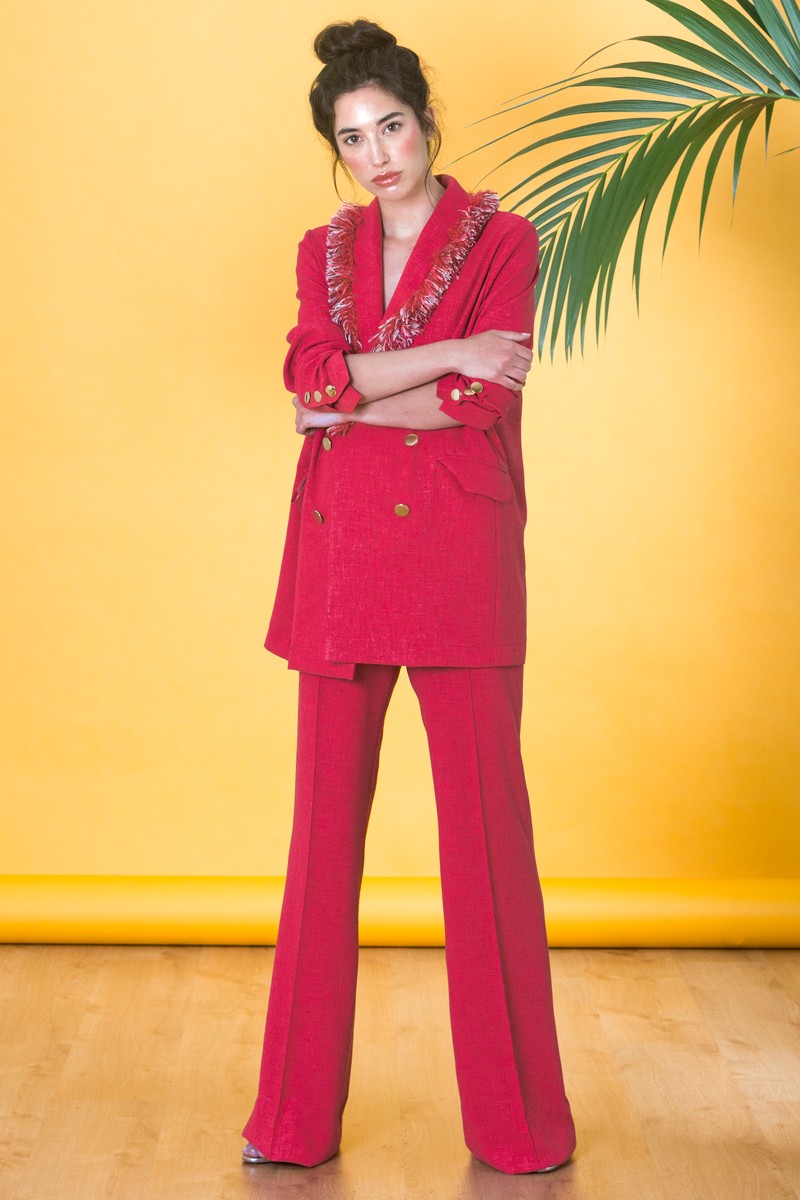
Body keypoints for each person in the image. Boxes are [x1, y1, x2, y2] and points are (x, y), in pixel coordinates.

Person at [242, 17, 577, 1176]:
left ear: (427, 123)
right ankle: (289, 1123)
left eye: (391, 127)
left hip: (457, 559)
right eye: (353, 138)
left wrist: (343, 401)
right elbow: (305, 373)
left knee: (486, 849)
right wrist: (439, 356)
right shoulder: (321, 248)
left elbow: (482, 402)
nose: (377, 154)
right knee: (319, 847)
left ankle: (520, 1129)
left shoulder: (503, 240)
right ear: (335, 151)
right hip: (339, 561)